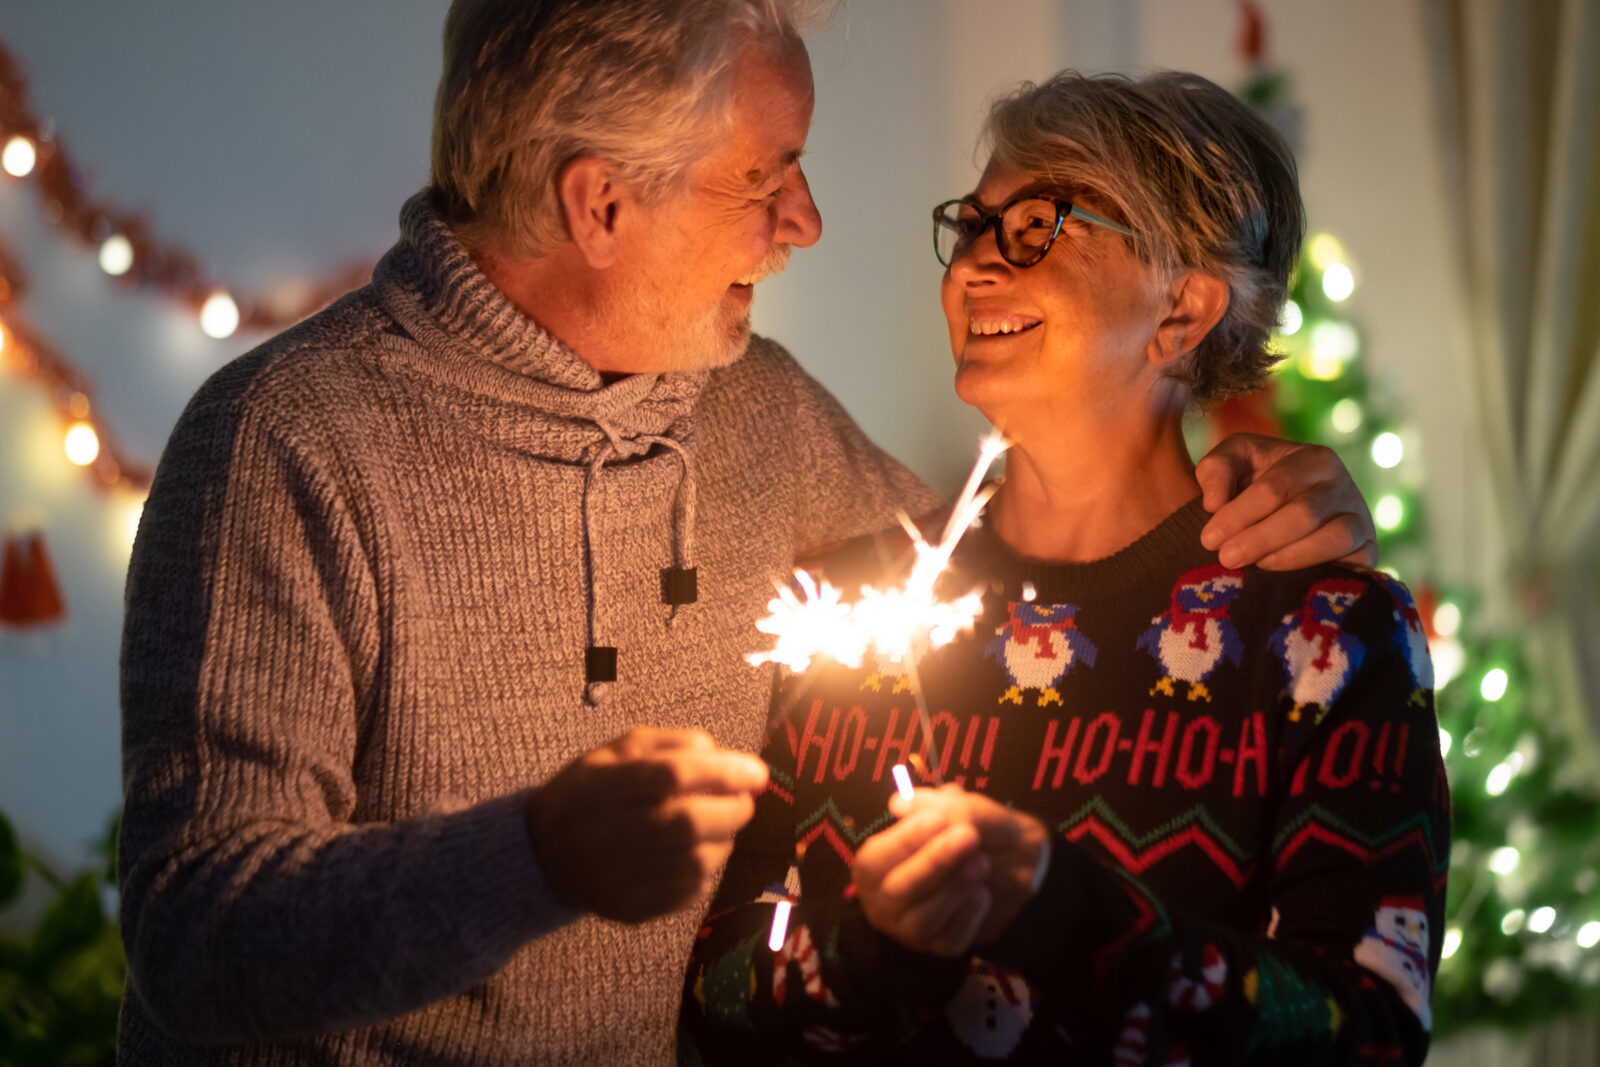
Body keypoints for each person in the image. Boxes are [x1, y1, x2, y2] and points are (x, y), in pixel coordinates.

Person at [116, 3, 1378, 1064]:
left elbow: (1035, 541)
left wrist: (1274, 481)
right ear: (599, 205)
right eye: (766, 176)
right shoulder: (286, 441)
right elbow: (195, 934)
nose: (806, 220)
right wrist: (537, 856)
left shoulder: (761, 413)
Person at [682, 69, 1448, 1066]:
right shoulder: (846, 601)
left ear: (1182, 310)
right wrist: (876, 945)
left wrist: (1059, 904)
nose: (971, 271)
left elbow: (1368, 1032)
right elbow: (715, 985)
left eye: (1036, 227)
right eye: (970, 226)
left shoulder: (1323, 637)